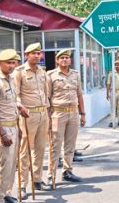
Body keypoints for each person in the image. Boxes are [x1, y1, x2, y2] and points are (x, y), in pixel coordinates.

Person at [0, 49, 27, 203]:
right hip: (3, 129)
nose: (12, 66)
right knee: (5, 167)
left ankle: (7, 194)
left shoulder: (10, 80)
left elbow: (12, 100)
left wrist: (19, 107)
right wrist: (3, 133)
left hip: (13, 126)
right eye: (9, 63)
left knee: (12, 166)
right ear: (0, 63)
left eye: (14, 63)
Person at [13, 42, 52, 192]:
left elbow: (45, 94)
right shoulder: (19, 72)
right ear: (26, 55)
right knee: (26, 151)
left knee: (41, 149)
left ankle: (37, 179)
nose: (37, 55)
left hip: (42, 113)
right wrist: (20, 106)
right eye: (33, 53)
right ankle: (22, 184)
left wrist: (48, 114)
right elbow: (15, 95)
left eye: (39, 53)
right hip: (28, 115)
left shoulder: (42, 72)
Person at [46, 49, 85, 183]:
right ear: (57, 60)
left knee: (70, 144)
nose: (64, 60)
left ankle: (67, 171)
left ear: (70, 60)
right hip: (58, 113)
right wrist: (48, 118)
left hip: (73, 113)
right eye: (61, 57)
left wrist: (83, 113)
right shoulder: (50, 75)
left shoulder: (75, 74)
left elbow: (79, 94)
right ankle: (51, 174)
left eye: (66, 58)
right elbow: (47, 97)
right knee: (55, 145)